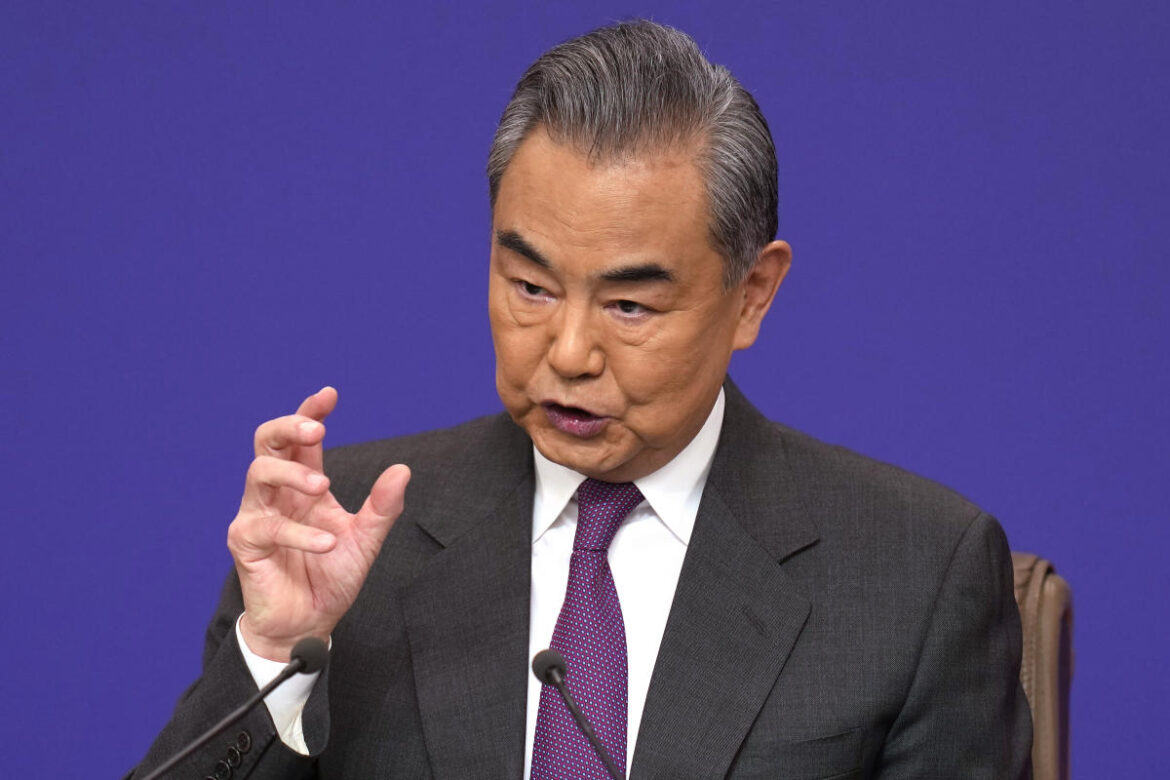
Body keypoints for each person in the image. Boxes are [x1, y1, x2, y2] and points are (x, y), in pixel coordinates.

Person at [132, 20, 1032, 779]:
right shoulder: (342, 535)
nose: (566, 353)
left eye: (630, 306)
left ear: (753, 294)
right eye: (530, 287)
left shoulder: (914, 574)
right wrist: (275, 656)